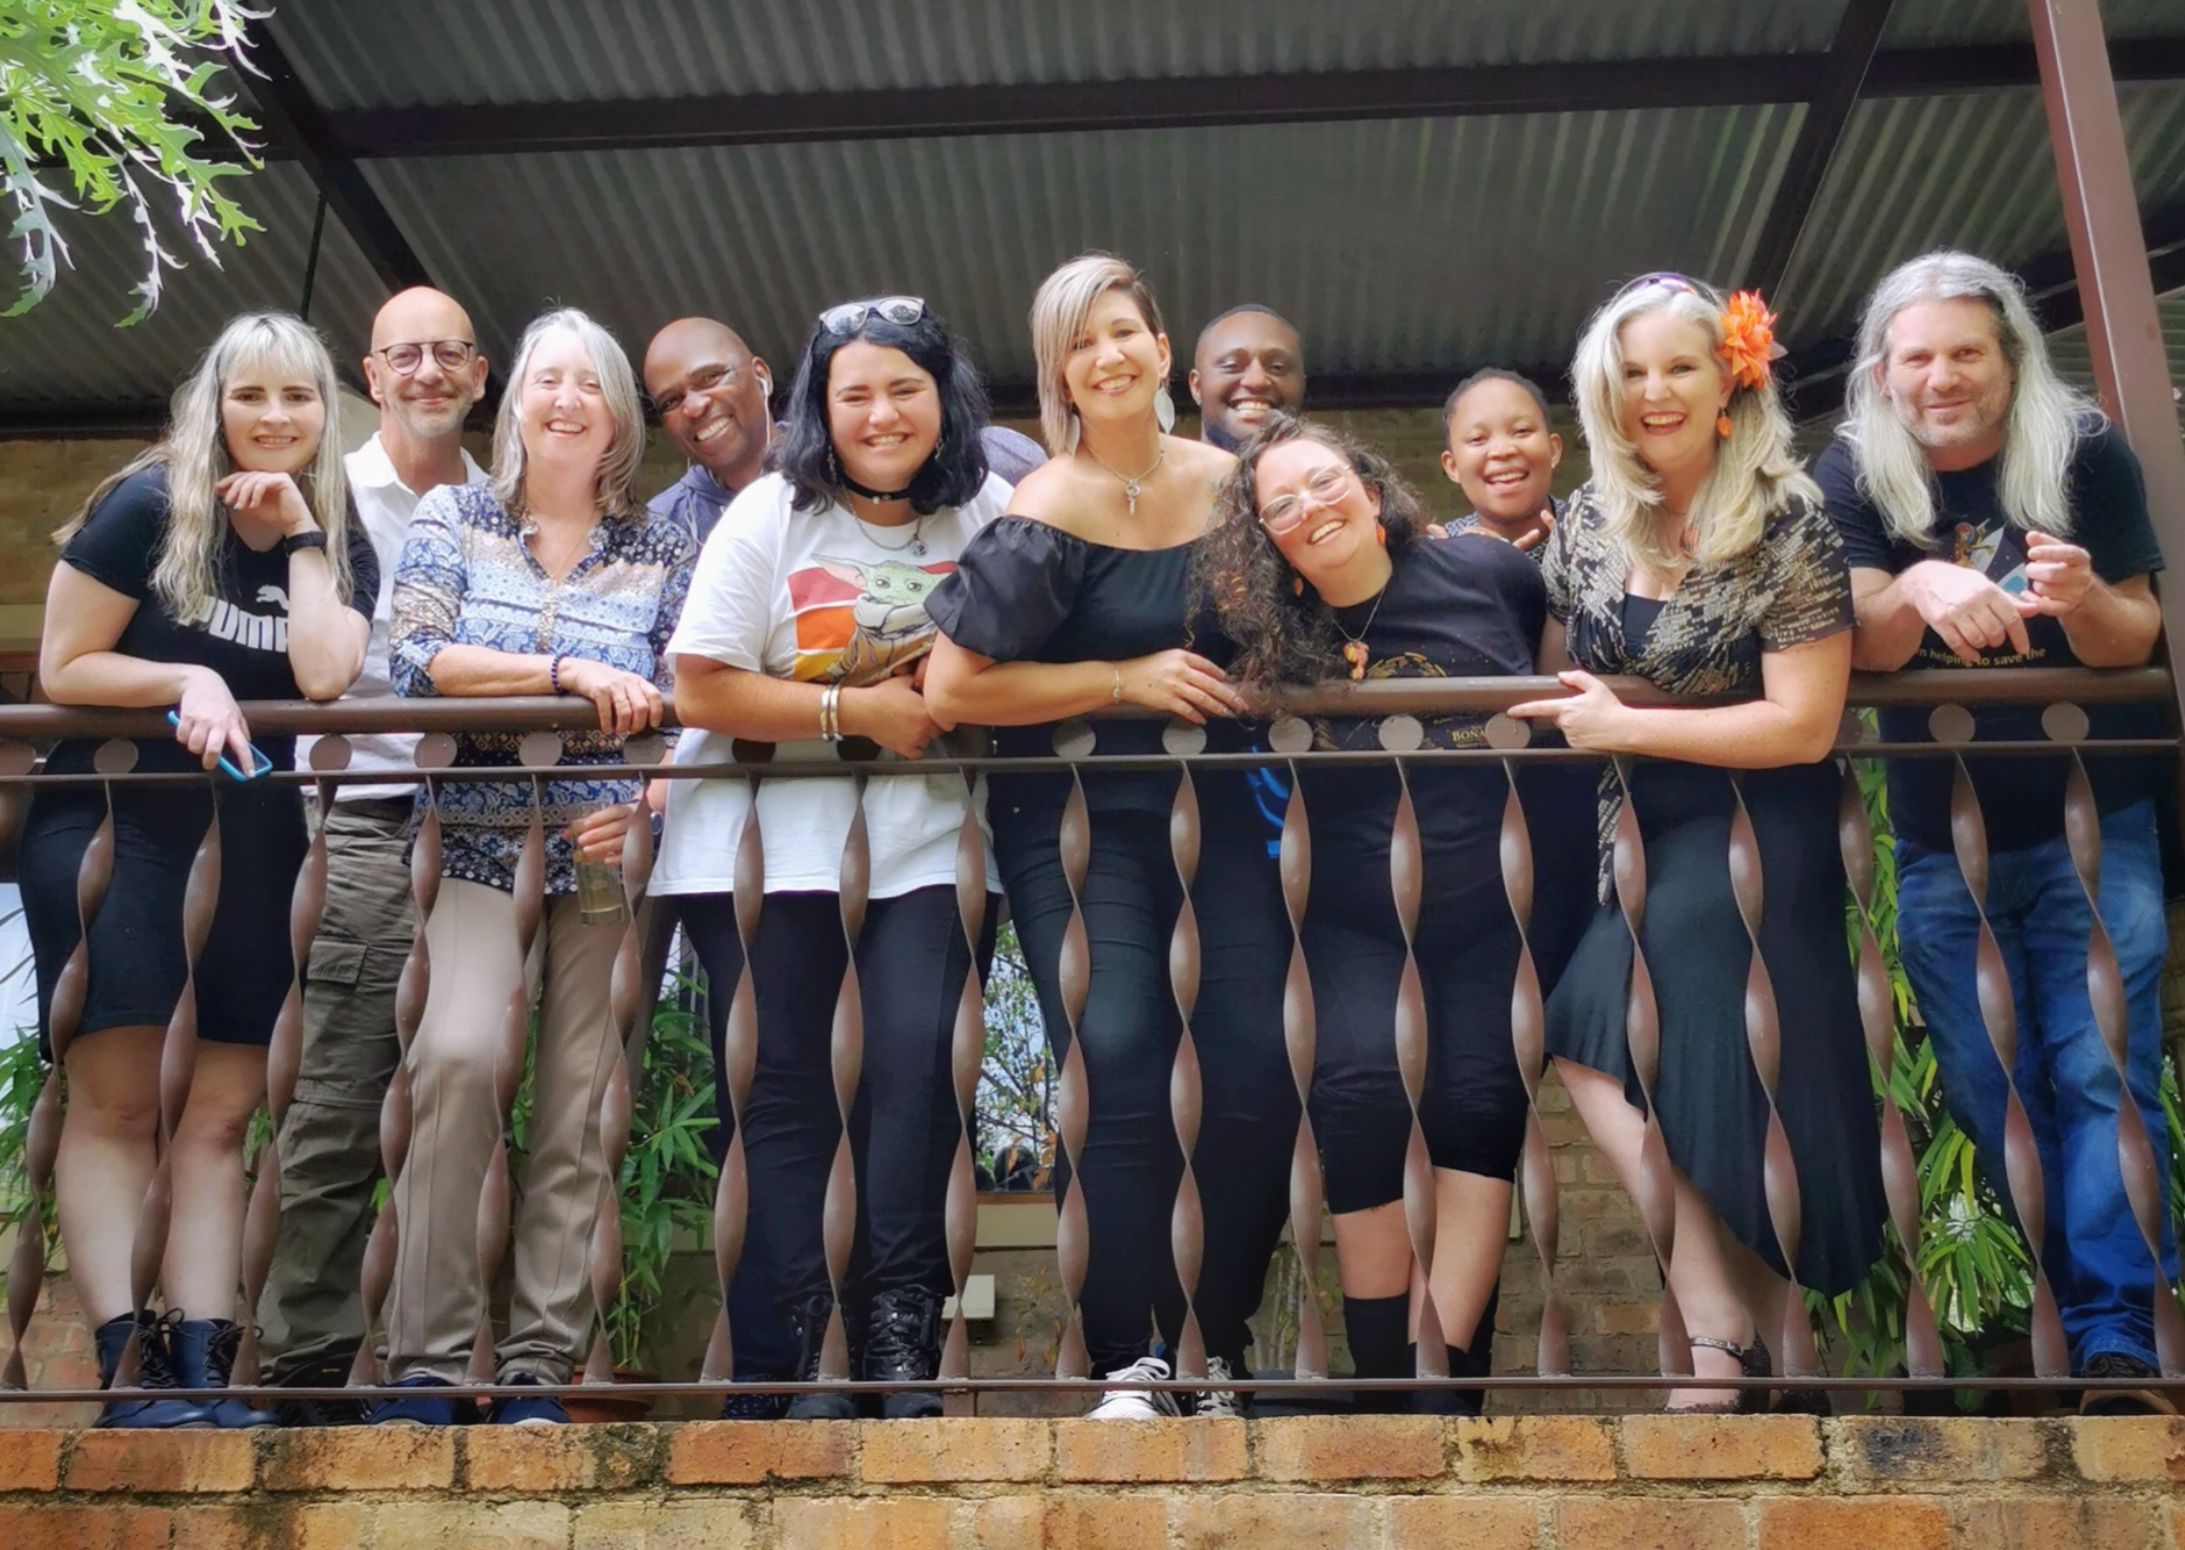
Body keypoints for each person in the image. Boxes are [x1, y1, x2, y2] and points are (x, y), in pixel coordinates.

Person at [925, 254, 1294, 1419]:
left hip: (1228, 818)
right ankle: (1127, 1351)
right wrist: (1122, 677)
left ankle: (1215, 1343)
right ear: (1061, 374)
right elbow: (953, 687)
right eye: (1083, 343)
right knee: (1124, 1049)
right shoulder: (1041, 512)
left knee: (1250, 1062)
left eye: (1126, 329)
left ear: (1158, 344)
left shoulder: (1240, 484)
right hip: (1079, 823)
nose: (1111, 355)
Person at [1507, 273, 1884, 1412]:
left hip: (1753, 827)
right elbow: (1539, 645)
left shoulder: (1785, 518)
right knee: (1587, 1037)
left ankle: (1735, 1341)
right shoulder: (1582, 521)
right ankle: (1736, 1328)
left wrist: (1629, 724)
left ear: (1731, 373)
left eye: (1678, 365)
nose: (1653, 391)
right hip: (1639, 834)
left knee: (1719, 1076)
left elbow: (1805, 721)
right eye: (1629, 372)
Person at [1817, 250, 2176, 1413]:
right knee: (1991, 1089)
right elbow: (1855, 646)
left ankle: (2117, 1334)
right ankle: (2095, 1321)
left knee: (2101, 1072)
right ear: (1883, 370)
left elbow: (2135, 637)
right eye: (1916, 354)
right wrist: (1917, 588)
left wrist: (2083, 601)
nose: (1941, 375)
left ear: (2008, 358)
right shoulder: (1853, 473)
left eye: (1964, 350)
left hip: (2094, 823)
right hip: (1940, 840)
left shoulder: (2081, 452)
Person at [651, 295, 1008, 1419]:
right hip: (761, 851)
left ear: (942, 400)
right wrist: (856, 711)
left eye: (904, 388)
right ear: (819, 406)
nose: (880, 411)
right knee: (786, 1097)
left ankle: (897, 1340)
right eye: (854, 392)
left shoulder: (991, 510)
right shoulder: (769, 512)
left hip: (932, 849)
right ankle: (787, 1356)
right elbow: (699, 679)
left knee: (917, 1080)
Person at [23, 312, 376, 1428]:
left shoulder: (330, 528)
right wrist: (181, 681)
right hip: (118, 821)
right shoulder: (147, 504)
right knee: (122, 1100)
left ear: (326, 412)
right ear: (211, 405)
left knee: (221, 1112)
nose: (274, 418)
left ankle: (203, 1368)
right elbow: (63, 661)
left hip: (256, 833)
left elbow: (324, 675)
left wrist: (307, 536)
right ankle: (128, 1368)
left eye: (299, 398)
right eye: (250, 396)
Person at [1195, 415, 1546, 1413]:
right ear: (1265, 537)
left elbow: (1561, 682)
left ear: (1366, 479)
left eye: (1322, 481)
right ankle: (1390, 1379)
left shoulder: (1488, 574)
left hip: (1488, 908)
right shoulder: (1266, 631)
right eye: (1281, 506)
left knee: (1476, 1103)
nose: (1311, 509)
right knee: (1353, 1096)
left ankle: (1446, 1387)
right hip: (1347, 916)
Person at [380, 307, 693, 1426]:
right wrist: (560, 668)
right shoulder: (454, 514)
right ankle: (424, 1358)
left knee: (578, 1107)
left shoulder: (660, 543)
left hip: (603, 859)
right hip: (473, 842)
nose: (564, 399)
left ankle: (537, 1367)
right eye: (546, 380)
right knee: (457, 1060)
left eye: (588, 384)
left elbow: (688, 695)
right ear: (515, 402)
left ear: (615, 416)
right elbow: (416, 655)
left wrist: (652, 801)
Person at [256, 286, 489, 1425]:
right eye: (408, 355)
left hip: (485, 827)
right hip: (359, 820)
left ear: (479, 374)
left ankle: (436, 1361)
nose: (429, 371)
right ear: (374, 369)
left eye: (450, 354)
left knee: (466, 1092)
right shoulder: (328, 501)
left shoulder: (501, 508)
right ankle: (303, 1363)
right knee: (344, 1087)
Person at [643, 317, 775, 546]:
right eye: (670, 401)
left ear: (761, 375)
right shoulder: (662, 530)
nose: (693, 407)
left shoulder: (837, 466)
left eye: (710, 378)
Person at [1442, 368, 1563, 552]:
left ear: (1553, 450)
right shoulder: (1441, 557)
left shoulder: (1602, 538)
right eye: (1477, 439)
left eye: (1521, 430)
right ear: (1453, 467)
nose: (1502, 451)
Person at [1189, 304, 1306, 451]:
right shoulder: (1159, 474)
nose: (1256, 381)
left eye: (1277, 367)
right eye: (1232, 366)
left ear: (1302, 386)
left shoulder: (1337, 472)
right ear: (1197, 387)